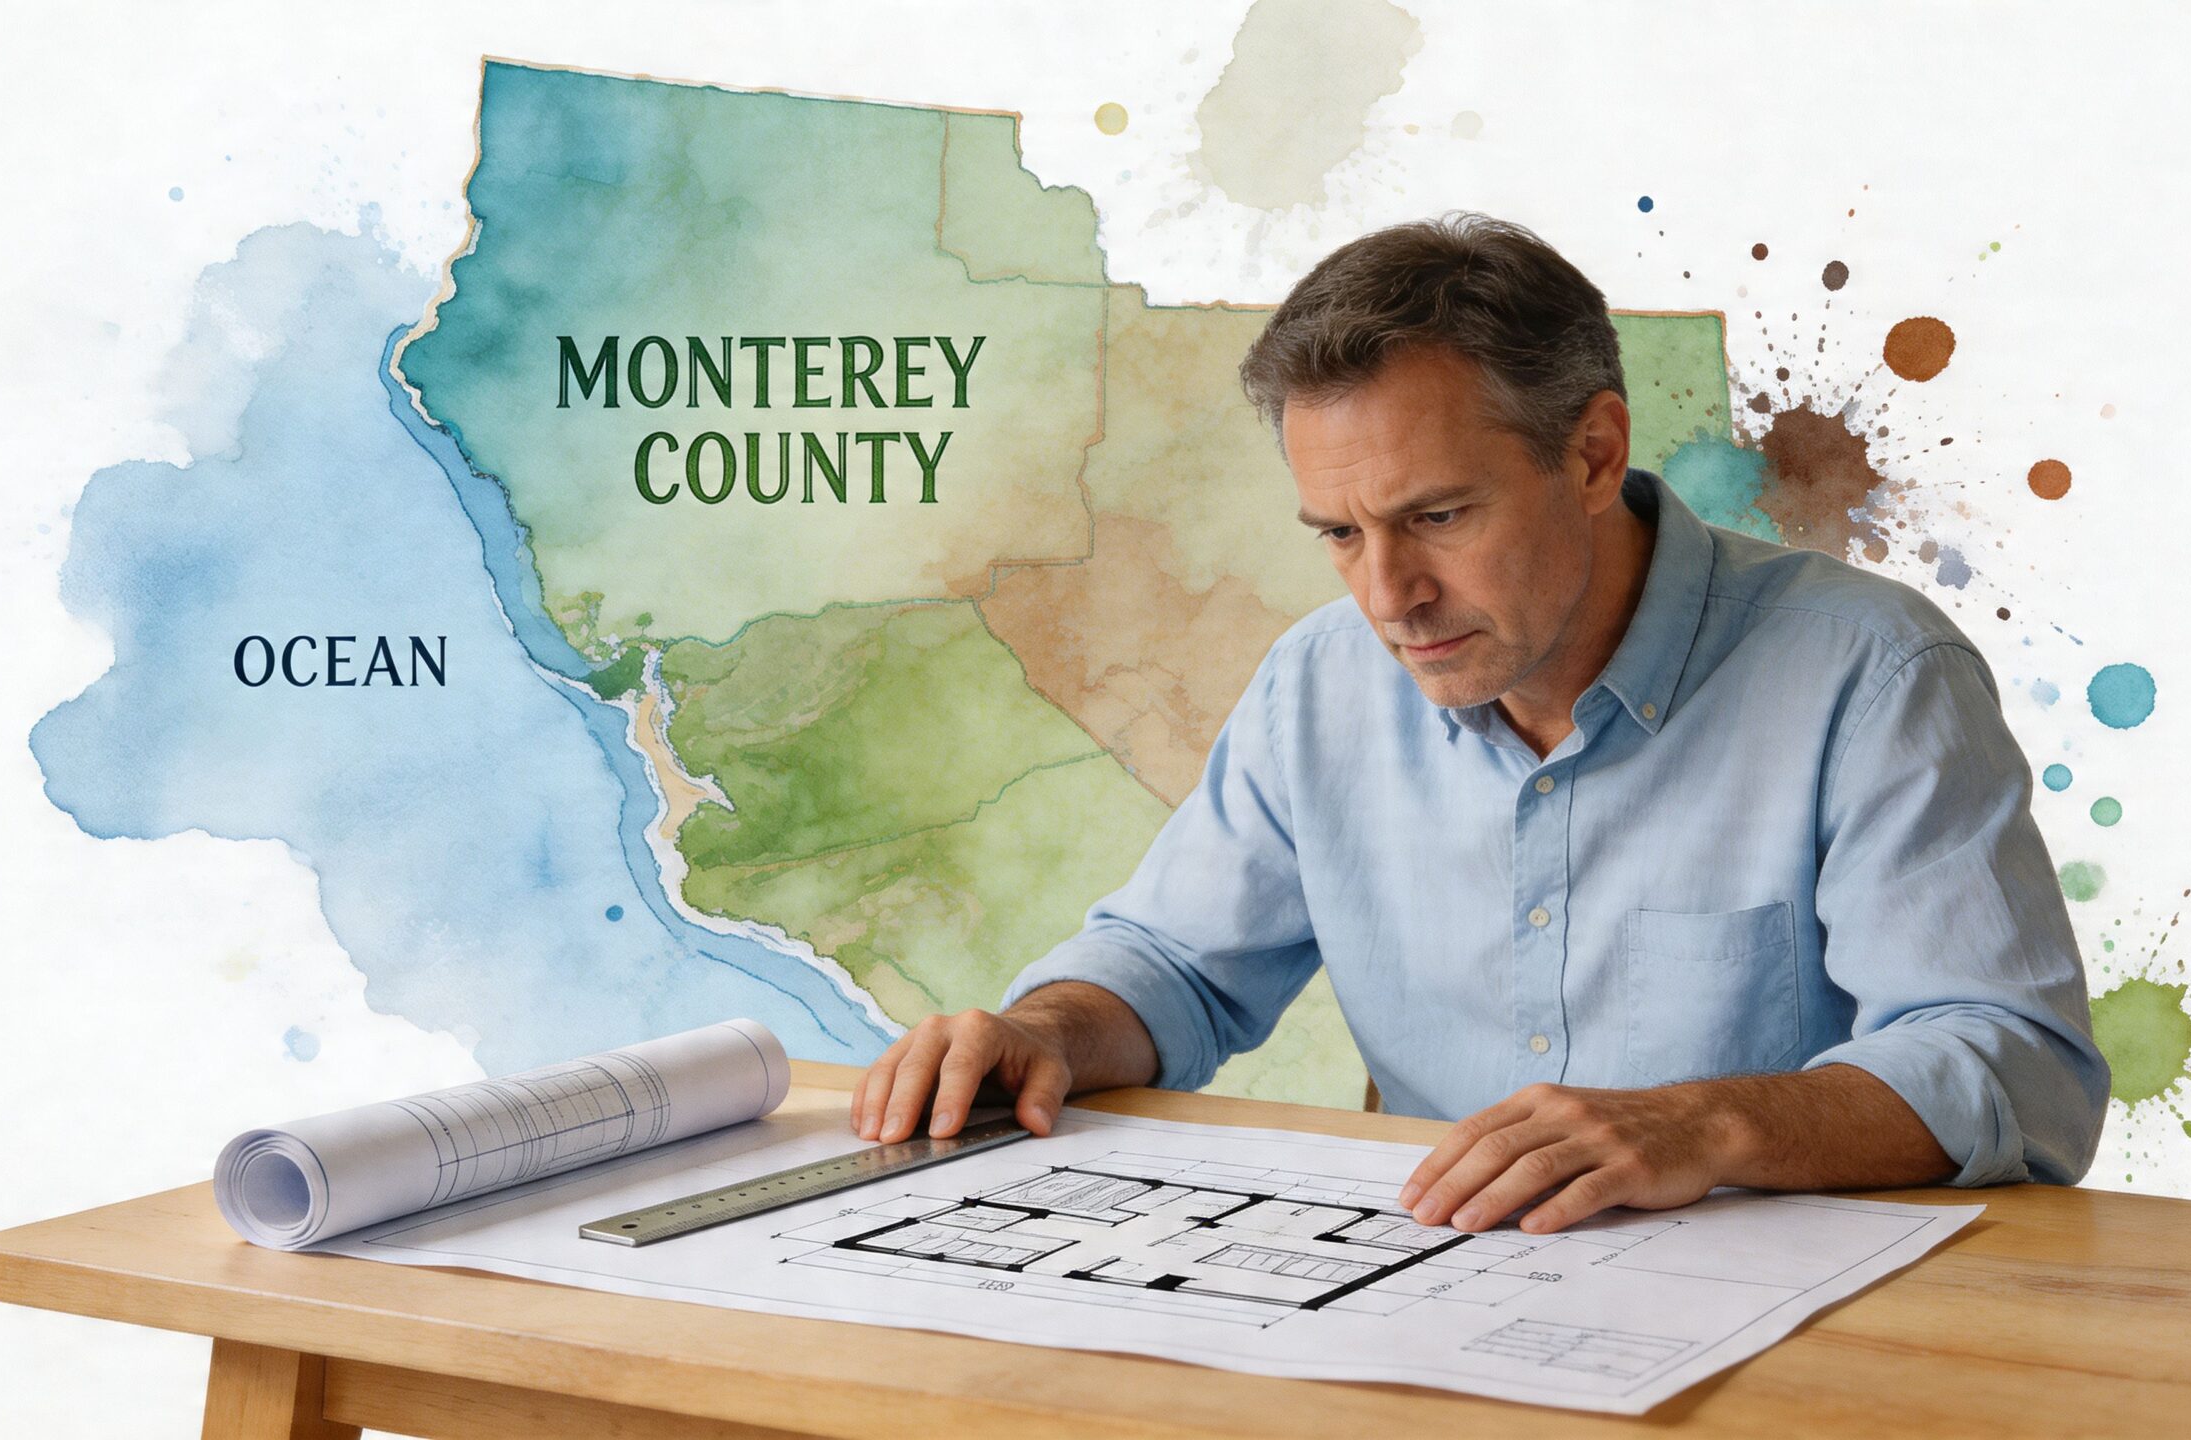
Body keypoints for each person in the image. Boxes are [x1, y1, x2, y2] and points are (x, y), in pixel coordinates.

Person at [848, 211, 2109, 1237]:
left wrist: (1707, 1123)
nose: (1386, 597)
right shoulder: (1323, 684)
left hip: (1793, 1336)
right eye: (1340, 535)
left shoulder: (1870, 675)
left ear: (1592, 452)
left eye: (1438, 516)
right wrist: (1042, 1032)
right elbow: (1176, 965)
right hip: (1432, 1308)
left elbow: (2014, 1063)